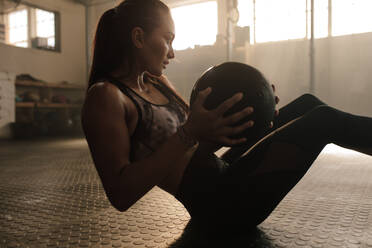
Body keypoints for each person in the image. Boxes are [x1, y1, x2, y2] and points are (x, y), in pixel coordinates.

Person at [81, 0, 372, 236]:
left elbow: (199, 146)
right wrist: (189, 133)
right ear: (138, 38)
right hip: (221, 205)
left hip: (224, 171)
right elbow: (121, 194)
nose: (172, 52)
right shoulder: (106, 96)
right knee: (322, 120)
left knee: (306, 104)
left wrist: (259, 115)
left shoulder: (157, 83)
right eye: (167, 39)